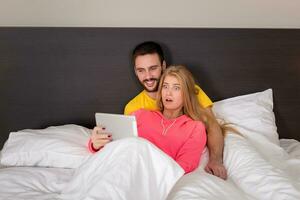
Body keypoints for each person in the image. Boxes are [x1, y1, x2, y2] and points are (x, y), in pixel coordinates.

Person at [124, 41, 227, 179]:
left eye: (153, 68)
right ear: (135, 72)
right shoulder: (136, 110)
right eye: (141, 70)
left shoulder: (192, 93)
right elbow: (123, 145)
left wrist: (215, 160)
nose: (148, 76)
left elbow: (212, 125)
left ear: (163, 66)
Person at [89, 65, 207, 174]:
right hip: (120, 167)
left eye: (176, 88)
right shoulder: (140, 115)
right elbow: (116, 144)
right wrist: (95, 144)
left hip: (149, 176)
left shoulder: (195, 127)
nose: (168, 93)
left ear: (186, 94)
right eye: (165, 86)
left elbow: (185, 165)